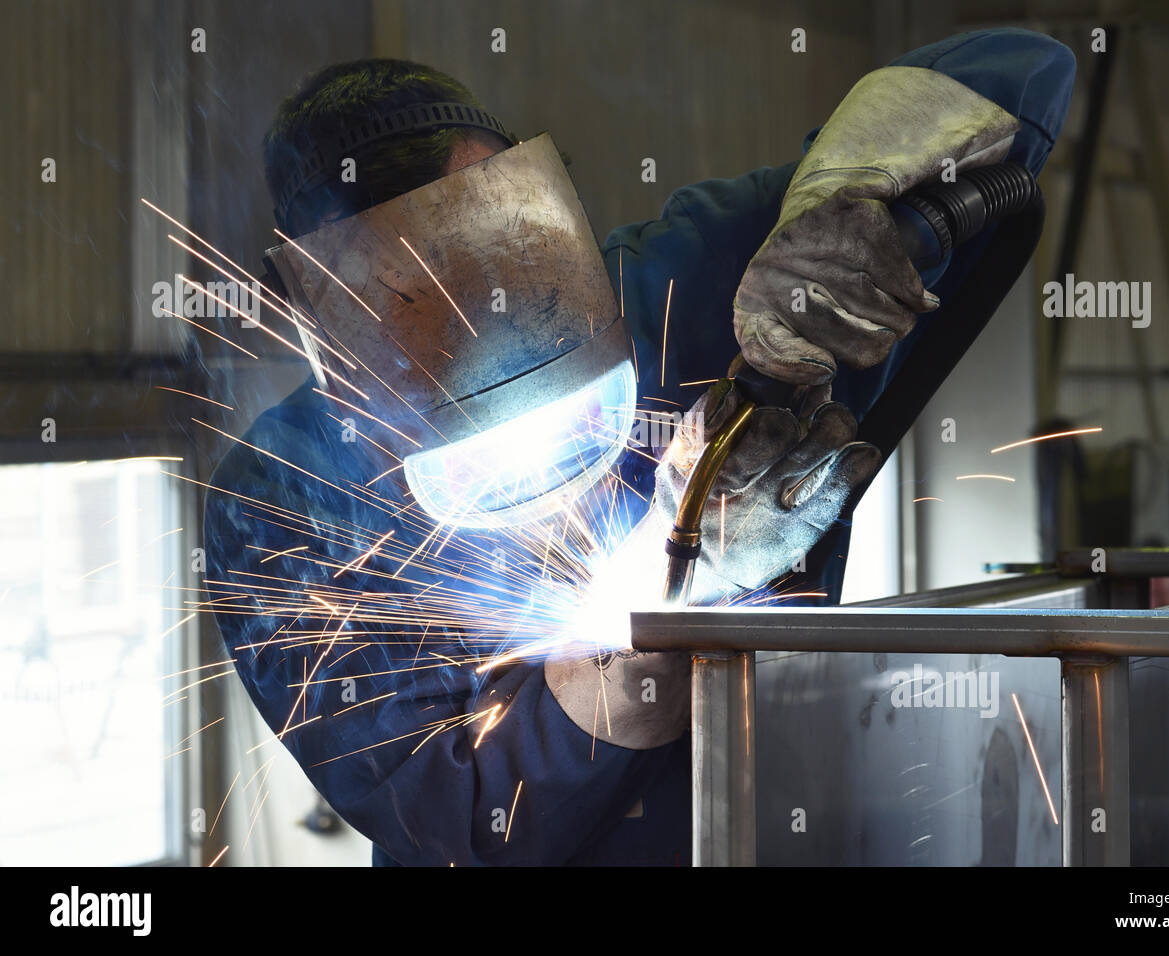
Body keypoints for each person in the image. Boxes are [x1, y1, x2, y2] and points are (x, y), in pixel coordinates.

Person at [204, 28, 1075, 865]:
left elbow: (1024, 68)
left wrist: (838, 200)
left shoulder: (687, 279)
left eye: (494, 257)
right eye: (418, 303)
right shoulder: (281, 497)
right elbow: (461, 817)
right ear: (330, 316)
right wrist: (671, 600)